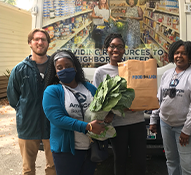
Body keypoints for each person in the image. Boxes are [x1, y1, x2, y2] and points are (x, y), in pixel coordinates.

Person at [42, 49, 113, 175]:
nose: (64, 69)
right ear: (56, 73)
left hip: (90, 147)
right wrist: (88, 127)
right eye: (60, 67)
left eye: (68, 66)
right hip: (66, 151)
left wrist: (109, 114)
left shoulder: (88, 87)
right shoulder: (52, 91)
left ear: (75, 67)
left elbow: (102, 108)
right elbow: (57, 118)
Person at [150, 40, 191, 175]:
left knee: (187, 165)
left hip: (183, 127)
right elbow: (160, 97)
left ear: (190, 56)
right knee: (171, 160)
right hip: (165, 124)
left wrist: (187, 130)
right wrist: (153, 119)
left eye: (184, 53)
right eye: (176, 53)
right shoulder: (167, 74)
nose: (179, 56)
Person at [93, 33, 146, 175]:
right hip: (117, 125)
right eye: (112, 46)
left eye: (120, 47)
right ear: (107, 49)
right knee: (119, 160)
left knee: (140, 161)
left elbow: (141, 92)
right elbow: (98, 101)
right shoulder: (101, 72)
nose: (116, 49)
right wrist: (110, 113)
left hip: (137, 121)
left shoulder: (133, 68)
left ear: (124, 50)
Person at [7, 28, 56, 175]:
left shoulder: (55, 68)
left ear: (48, 44)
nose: (40, 42)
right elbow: (13, 97)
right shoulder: (19, 69)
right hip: (27, 125)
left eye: (43, 39)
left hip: (53, 125)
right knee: (28, 169)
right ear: (30, 43)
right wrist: (25, 110)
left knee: (53, 168)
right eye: (36, 39)